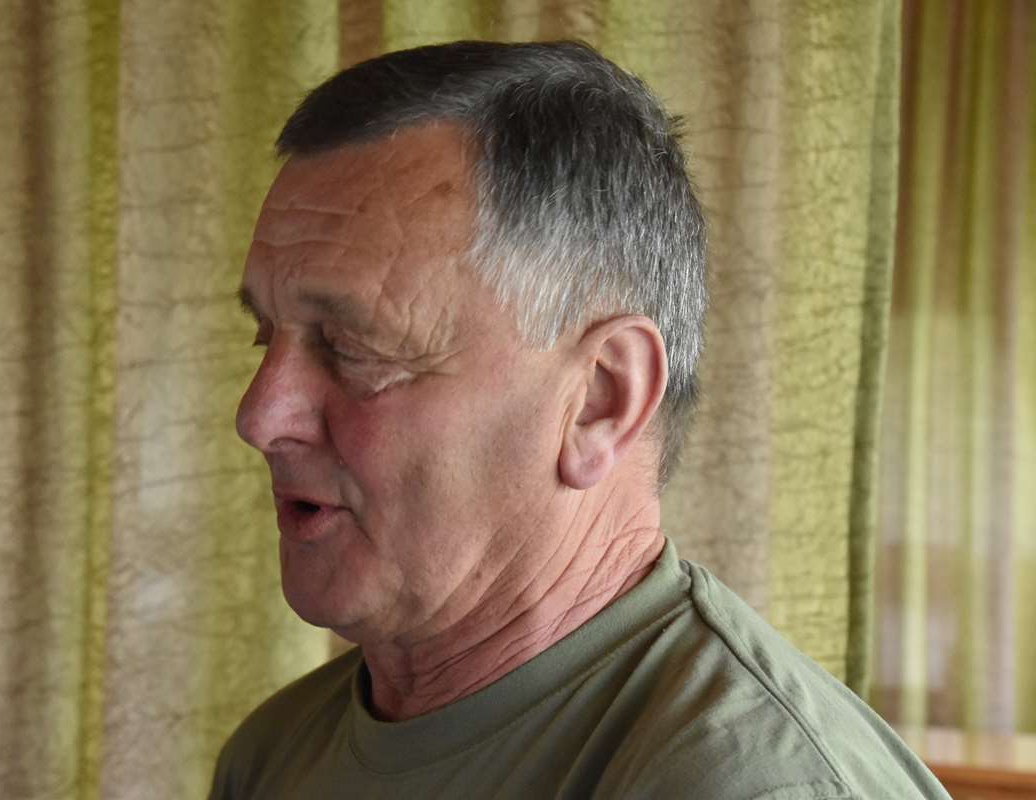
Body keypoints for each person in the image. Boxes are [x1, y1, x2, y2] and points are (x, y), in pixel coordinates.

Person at [210, 40, 949, 800]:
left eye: (351, 348)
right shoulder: (272, 758)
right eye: (266, 335)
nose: (260, 416)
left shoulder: (756, 785)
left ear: (601, 400)